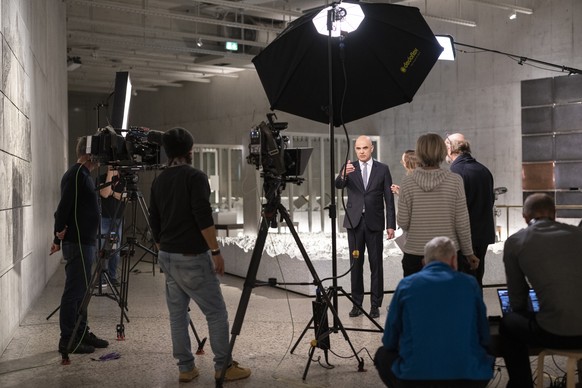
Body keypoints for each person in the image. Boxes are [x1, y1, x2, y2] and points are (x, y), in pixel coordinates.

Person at [148, 127, 251, 383]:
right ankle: (223, 366)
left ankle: (185, 368)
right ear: (189, 151)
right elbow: (203, 217)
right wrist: (215, 251)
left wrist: (164, 250)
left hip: (168, 256)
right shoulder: (195, 177)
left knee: (178, 313)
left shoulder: (159, 180)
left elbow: (154, 220)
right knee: (215, 311)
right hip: (192, 256)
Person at [374, 236, 493, 388]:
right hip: (467, 379)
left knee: (382, 355)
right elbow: (484, 334)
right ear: (453, 261)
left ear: (424, 262)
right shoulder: (470, 284)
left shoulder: (406, 286)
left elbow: (389, 340)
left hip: (415, 379)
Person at [500, 193, 582, 388]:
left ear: (525, 217)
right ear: (554, 214)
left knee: (509, 324)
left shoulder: (515, 242)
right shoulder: (578, 234)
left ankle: (522, 384)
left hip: (555, 331)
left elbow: (517, 298)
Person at [50, 136, 109, 355]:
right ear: (89, 152)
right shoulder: (76, 174)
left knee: (82, 292)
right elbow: (63, 208)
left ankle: (81, 332)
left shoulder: (83, 175)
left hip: (85, 242)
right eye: (98, 152)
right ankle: (68, 339)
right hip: (78, 243)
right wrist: (57, 237)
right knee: (74, 292)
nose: (101, 158)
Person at [397, 133, 479, 277]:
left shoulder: (407, 182)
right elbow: (462, 223)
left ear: (419, 152)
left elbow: (403, 222)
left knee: (418, 298)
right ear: (442, 151)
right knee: (446, 298)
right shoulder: (455, 180)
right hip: (447, 253)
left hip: (415, 252)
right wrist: (469, 253)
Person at [335, 135, 396, 319]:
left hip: (375, 222)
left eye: (364, 148)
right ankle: (357, 304)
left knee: (376, 265)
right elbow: (338, 185)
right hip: (354, 223)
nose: (361, 151)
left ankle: (375, 305)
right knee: (356, 265)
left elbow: (389, 199)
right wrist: (343, 174)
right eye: (358, 148)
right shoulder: (349, 167)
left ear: (372, 149)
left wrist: (391, 224)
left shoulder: (383, 169)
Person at [445, 133, 495, 287]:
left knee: (462, 285)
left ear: (450, 148)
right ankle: (478, 311)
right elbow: (490, 201)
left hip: (463, 239)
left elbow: (452, 209)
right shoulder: (484, 170)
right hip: (482, 236)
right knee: (477, 281)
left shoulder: (454, 173)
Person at [97, 166, 126, 287]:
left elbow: (125, 197)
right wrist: (109, 175)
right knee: (103, 247)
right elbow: (104, 193)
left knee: (116, 248)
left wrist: (113, 192)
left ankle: (112, 276)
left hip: (118, 218)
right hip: (104, 217)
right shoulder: (101, 178)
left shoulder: (124, 180)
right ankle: (102, 277)